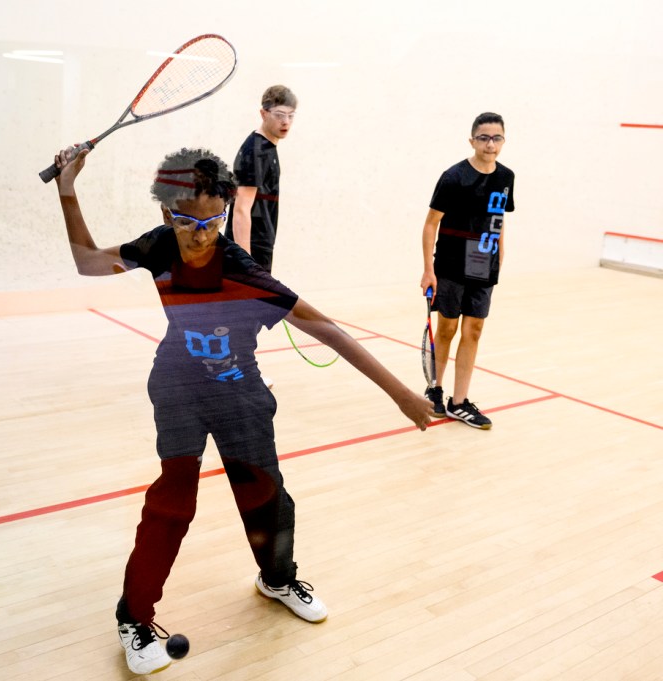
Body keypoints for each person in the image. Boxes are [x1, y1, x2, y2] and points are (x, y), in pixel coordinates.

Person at [53, 146, 433, 675]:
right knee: (172, 503)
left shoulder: (244, 272)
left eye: (213, 221)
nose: (201, 234)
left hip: (240, 392)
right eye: (187, 221)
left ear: (226, 213)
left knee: (267, 498)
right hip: (178, 386)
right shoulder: (158, 246)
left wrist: (400, 393)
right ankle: (133, 619)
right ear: (167, 213)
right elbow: (88, 262)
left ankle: (276, 579)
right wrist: (67, 187)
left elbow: (326, 329)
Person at [420, 112, 515, 430]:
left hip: (484, 263)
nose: (491, 144)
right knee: (446, 330)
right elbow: (431, 223)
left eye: (497, 137)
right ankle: (435, 388)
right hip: (450, 263)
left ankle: (459, 402)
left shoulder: (506, 177)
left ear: (504, 140)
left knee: (473, 331)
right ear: (472, 140)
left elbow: (499, 217)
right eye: (484, 137)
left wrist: (500, 254)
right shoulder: (453, 177)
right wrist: (428, 270)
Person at [226, 85, 297, 389]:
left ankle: (235, 370)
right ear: (263, 113)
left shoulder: (268, 148)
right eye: (280, 115)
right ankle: (241, 372)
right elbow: (241, 209)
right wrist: (246, 262)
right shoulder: (255, 150)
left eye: (292, 116)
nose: (286, 122)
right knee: (246, 314)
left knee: (247, 314)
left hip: (259, 245)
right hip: (250, 248)